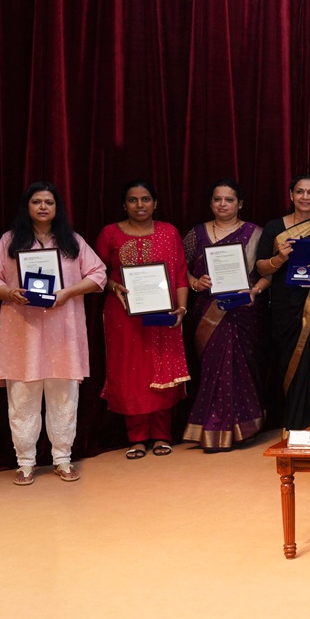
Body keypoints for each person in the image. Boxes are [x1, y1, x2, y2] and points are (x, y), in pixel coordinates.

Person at [0, 182, 107, 484]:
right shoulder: (10, 241)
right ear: (27, 206)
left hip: (63, 331)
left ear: (57, 208)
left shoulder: (72, 241)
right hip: (21, 332)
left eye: (49, 202)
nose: (42, 207)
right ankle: (25, 462)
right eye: (36, 202)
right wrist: (10, 293)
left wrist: (68, 292)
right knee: (22, 398)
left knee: (64, 397)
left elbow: (98, 273)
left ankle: (62, 459)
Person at [94, 180, 190, 459]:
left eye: (145, 199)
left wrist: (182, 309)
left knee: (162, 368)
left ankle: (161, 434)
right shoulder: (110, 233)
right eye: (133, 200)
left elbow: (180, 274)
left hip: (164, 313)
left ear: (155, 203)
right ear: (124, 205)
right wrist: (114, 286)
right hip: (123, 314)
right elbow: (96, 273)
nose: (139, 205)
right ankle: (136, 438)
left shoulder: (169, 232)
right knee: (131, 372)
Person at [182, 179, 269, 452]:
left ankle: (244, 428)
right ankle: (211, 426)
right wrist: (195, 283)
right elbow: (179, 268)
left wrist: (254, 290)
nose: (223, 204)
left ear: (239, 204)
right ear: (210, 203)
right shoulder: (196, 233)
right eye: (217, 199)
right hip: (207, 312)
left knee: (240, 369)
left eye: (229, 199)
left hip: (243, 311)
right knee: (212, 369)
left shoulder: (255, 233)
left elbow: (269, 273)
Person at [256, 174, 310, 431]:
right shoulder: (274, 227)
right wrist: (279, 259)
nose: (305, 197)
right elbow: (261, 268)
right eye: (300, 192)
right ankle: (290, 423)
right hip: (284, 307)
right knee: (286, 362)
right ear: (291, 195)